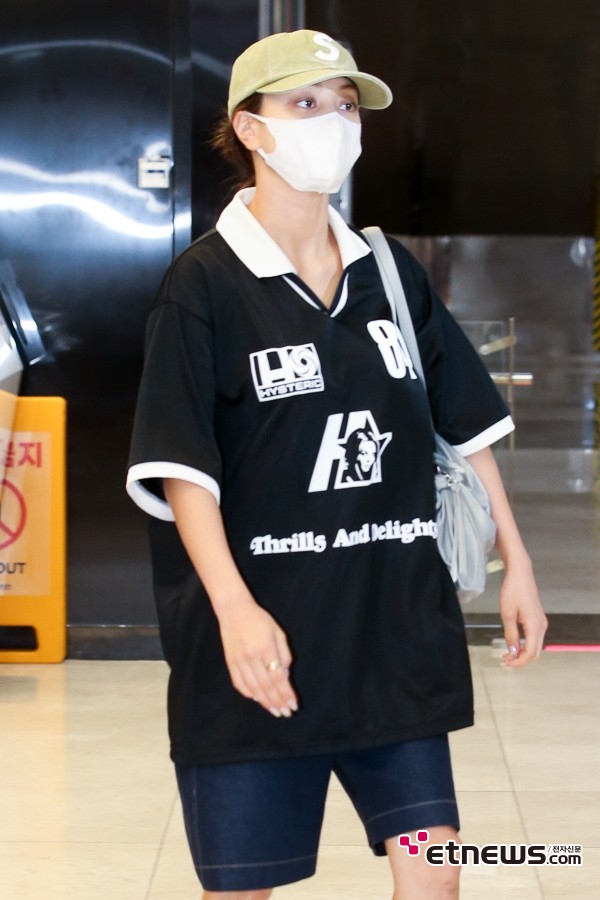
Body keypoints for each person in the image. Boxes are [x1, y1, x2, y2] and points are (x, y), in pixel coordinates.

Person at [127, 29, 547, 900]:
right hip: (263, 651)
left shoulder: (389, 273)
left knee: (436, 878)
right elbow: (181, 469)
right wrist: (236, 612)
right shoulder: (202, 286)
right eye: (307, 103)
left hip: (395, 639)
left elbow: (463, 424)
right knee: (242, 891)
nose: (335, 122)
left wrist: (518, 562)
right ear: (251, 128)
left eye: (347, 105)